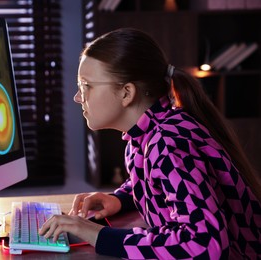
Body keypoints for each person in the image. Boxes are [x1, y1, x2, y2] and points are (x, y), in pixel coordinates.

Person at [39, 28, 261, 259]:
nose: (78, 97)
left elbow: (205, 245)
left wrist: (98, 234)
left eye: (86, 86)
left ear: (127, 93)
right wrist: (119, 199)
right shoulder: (148, 136)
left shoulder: (167, 141)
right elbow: (165, 183)